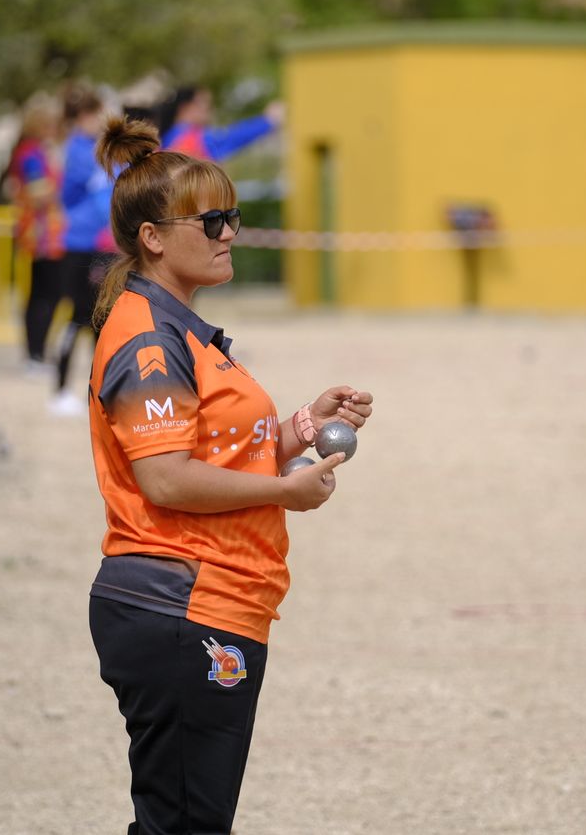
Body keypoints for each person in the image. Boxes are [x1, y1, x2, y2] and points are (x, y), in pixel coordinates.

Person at [85, 114, 373, 835]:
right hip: (181, 602)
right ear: (152, 237)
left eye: (233, 216)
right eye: (210, 219)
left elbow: (221, 451)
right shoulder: (150, 339)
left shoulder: (183, 329)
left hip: (216, 600)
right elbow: (170, 481)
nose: (228, 232)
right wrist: (286, 491)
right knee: (184, 824)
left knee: (186, 820)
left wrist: (301, 427)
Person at [50, 86, 116, 417]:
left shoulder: (95, 150)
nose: (100, 121)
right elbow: (100, 199)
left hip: (100, 247)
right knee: (77, 318)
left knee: (100, 321)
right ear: (81, 117)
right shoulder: (79, 152)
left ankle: (98, 392)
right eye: (95, 115)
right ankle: (60, 389)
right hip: (80, 247)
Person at [7, 95, 65, 373]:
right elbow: (38, 192)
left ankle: (38, 352)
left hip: (46, 233)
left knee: (45, 294)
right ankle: (35, 353)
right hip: (40, 234)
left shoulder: (36, 151)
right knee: (44, 295)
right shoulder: (32, 153)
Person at [159, 85, 283, 163]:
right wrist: (268, 121)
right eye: (206, 105)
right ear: (186, 107)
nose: (210, 110)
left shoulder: (164, 137)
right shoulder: (192, 138)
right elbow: (231, 137)